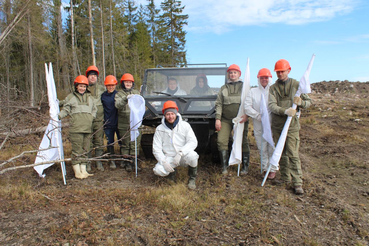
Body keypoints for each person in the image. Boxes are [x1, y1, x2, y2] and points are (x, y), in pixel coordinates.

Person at [269, 59, 312, 195]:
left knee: (292, 153)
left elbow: (308, 102)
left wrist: (301, 103)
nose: (280, 74)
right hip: (278, 125)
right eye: (278, 72)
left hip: (292, 125)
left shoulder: (297, 85)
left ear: (288, 70)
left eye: (282, 71)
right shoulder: (273, 88)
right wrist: (285, 111)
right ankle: (285, 178)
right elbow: (272, 105)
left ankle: (297, 182)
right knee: (280, 152)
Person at [152, 100, 199, 190]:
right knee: (158, 170)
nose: (170, 117)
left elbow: (193, 142)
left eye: (172, 114)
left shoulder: (185, 125)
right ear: (164, 115)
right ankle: (172, 172)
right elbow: (156, 149)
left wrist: (181, 152)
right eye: (168, 114)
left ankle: (192, 178)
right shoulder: (159, 129)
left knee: (193, 156)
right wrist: (163, 162)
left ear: (176, 113)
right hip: (169, 157)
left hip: (182, 155)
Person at [58, 75, 96, 179]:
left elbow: (94, 110)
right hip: (76, 128)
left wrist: (91, 117)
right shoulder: (71, 98)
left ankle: (84, 171)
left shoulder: (90, 98)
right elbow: (66, 109)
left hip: (87, 128)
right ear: (76, 86)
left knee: (85, 149)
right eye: (80, 86)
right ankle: (77, 172)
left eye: (84, 86)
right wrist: (59, 116)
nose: (82, 88)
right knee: (77, 150)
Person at [215, 64, 250, 175]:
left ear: (239, 74)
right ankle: (224, 167)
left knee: (243, 141)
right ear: (228, 74)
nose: (232, 74)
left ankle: (245, 166)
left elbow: (249, 103)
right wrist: (218, 119)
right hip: (225, 119)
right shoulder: (223, 88)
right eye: (230, 72)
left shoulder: (245, 87)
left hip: (240, 119)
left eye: (235, 72)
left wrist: (247, 116)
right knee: (221, 141)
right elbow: (219, 104)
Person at [244, 68, 276, 179]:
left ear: (269, 78)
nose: (264, 80)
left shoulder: (273, 91)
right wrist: (258, 116)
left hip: (272, 124)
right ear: (258, 79)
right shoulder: (253, 92)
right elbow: (247, 107)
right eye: (262, 77)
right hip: (258, 124)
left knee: (272, 146)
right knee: (262, 147)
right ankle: (264, 168)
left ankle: (272, 169)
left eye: (266, 77)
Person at [115, 73, 141, 171]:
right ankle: (127, 162)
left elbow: (141, 104)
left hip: (135, 121)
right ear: (123, 83)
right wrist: (126, 99)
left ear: (132, 83)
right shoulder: (119, 94)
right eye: (126, 82)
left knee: (135, 143)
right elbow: (117, 105)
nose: (128, 84)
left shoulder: (137, 93)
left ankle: (135, 162)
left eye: (130, 82)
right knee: (126, 143)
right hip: (123, 122)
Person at [85, 65, 106, 172]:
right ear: (87, 77)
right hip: (87, 120)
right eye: (91, 76)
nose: (93, 78)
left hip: (99, 120)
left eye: (94, 76)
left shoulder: (102, 89)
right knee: (88, 142)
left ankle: (98, 161)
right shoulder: (82, 88)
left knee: (99, 141)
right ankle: (88, 162)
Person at [101, 75, 120, 169]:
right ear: (106, 86)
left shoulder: (119, 95)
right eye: (109, 85)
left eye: (112, 85)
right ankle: (111, 160)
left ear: (115, 85)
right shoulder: (103, 96)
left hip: (118, 123)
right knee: (110, 143)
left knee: (121, 142)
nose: (111, 87)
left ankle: (123, 160)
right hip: (108, 123)